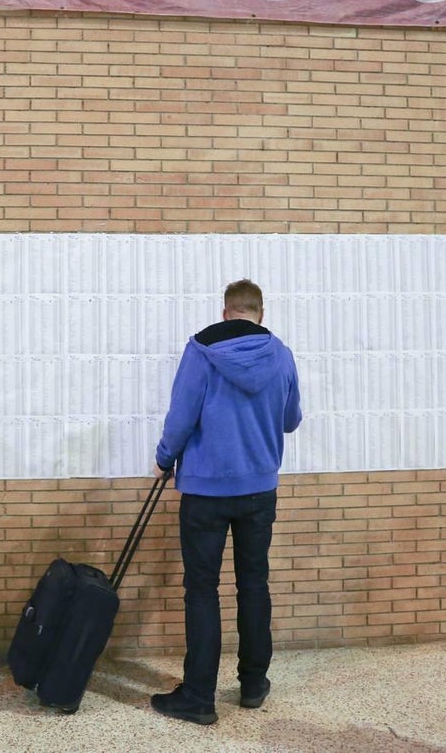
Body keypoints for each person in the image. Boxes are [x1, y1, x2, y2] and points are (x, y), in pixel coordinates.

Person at [149, 279, 302, 725]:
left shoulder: (201, 350)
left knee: (202, 590)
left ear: (225, 312)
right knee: (254, 583)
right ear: (260, 314)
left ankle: (198, 696)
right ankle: (253, 683)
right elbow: (291, 419)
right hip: (258, 489)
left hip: (204, 492)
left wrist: (163, 460)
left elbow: (181, 415)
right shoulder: (281, 354)